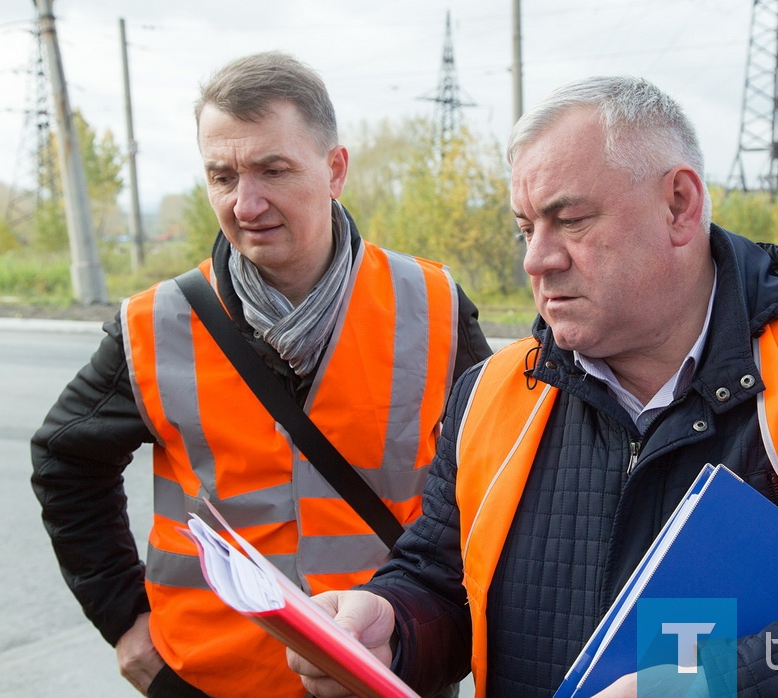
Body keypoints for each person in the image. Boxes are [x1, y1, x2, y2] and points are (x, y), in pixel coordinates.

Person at [288, 76, 778, 697]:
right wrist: (391, 624)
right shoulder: (491, 395)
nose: (537, 259)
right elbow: (441, 583)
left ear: (680, 205)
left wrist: (717, 683)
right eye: (526, 227)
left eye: (570, 219)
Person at [30, 51, 491, 698]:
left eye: (273, 170)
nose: (246, 203)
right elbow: (65, 462)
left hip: (380, 670)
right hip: (206, 677)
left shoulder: (431, 303)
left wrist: (444, 635)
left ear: (335, 170)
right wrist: (123, 620)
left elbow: (499, 478)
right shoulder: (154, 323)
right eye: (222, 176)